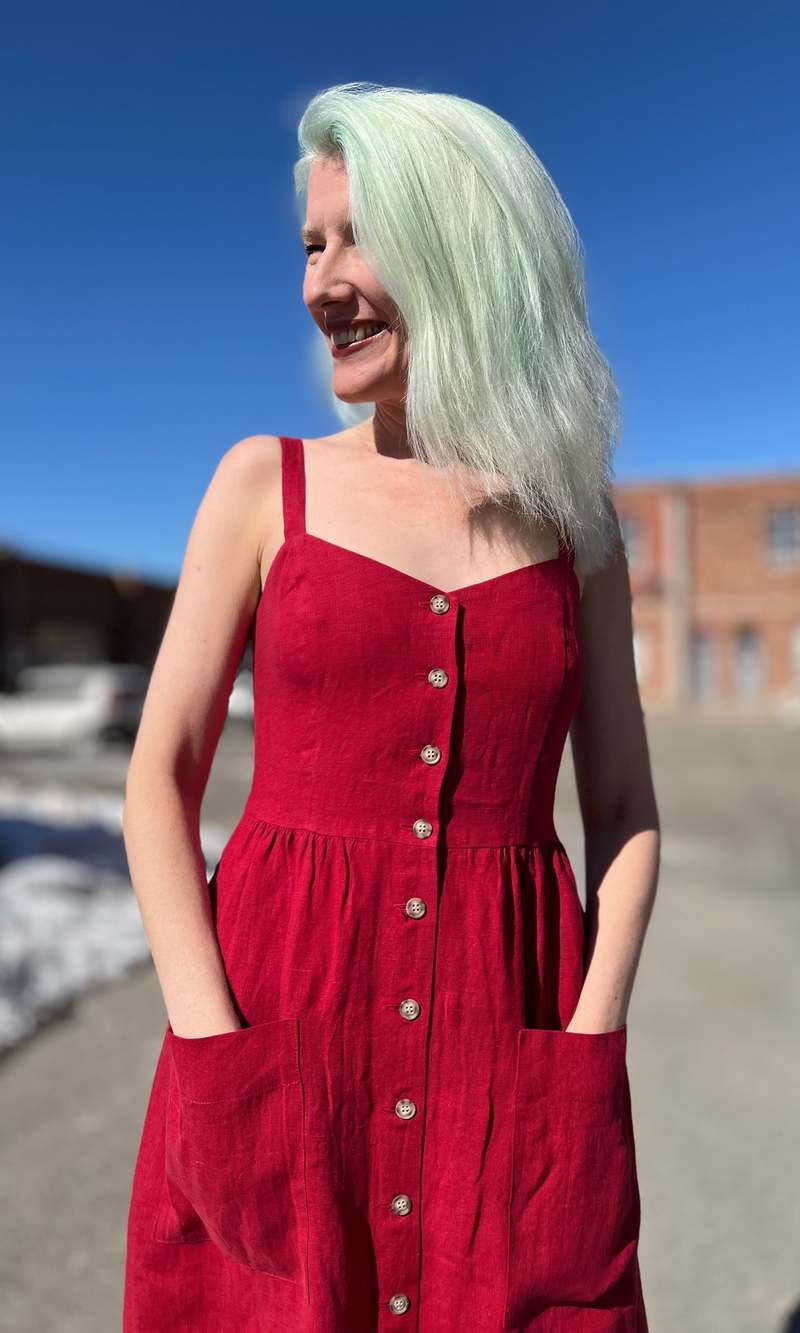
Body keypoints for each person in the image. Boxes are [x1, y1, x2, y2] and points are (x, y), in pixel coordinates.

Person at [122, 80, 659, 1332]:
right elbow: (157, 777)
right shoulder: (262, 485)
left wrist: (590, 1037)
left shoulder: (573, 528)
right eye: (310, 246)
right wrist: (207, 1042)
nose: (320, 284)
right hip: (276, 1021)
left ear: (464, 248)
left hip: (510, 1033)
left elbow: (623, 804)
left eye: (356, 238)